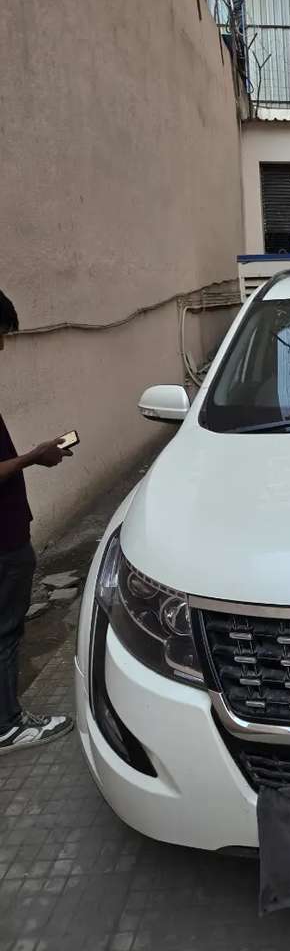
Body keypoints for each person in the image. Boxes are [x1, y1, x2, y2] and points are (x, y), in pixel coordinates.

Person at [0, 289, 74, 752]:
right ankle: (8, 725)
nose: (2, 347)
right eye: (0, 334)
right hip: (3, 542)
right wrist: (34, 456)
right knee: (6, 631)